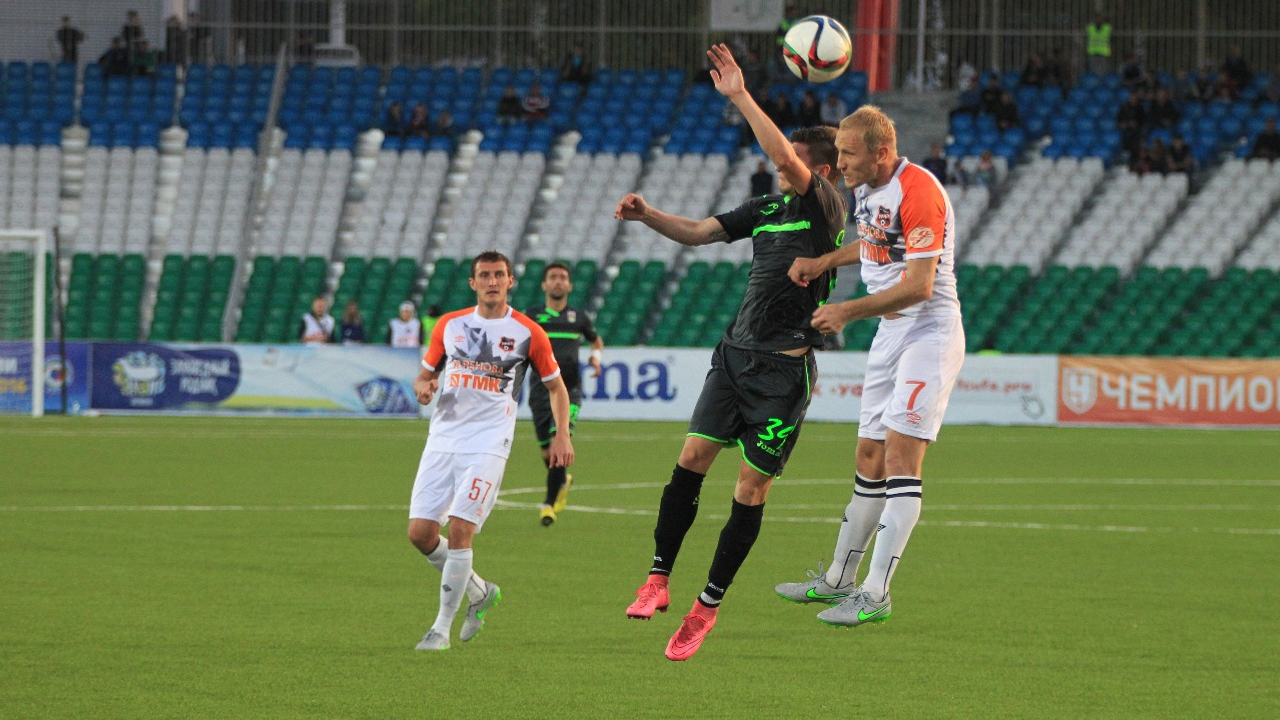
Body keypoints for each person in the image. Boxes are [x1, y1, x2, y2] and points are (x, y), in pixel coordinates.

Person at [614, 43, 846, 662]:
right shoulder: (766, 209)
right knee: (691, 458)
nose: (781, 162)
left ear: (821, 171)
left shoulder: (826, 208)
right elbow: (698, 233)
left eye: (795, 158)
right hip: (735, 356)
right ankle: (658, 578)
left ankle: (706, 607)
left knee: (749, 490)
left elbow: (780, 154)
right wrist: (648, 215)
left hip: (783, 374)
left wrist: (741, 95)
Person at [776, 104, 964, 630]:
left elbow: (921, 285)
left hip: (928, 332)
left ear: (882, 152)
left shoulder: (918, 190)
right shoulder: (868, 188)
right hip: (890, 333)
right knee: (868, 455)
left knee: (901, 457)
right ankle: (839, 578)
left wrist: (846, 311)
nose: (840, 163)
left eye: (849, 153)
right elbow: (874, 241)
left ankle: (876, 592)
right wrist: (824, 261)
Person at [407, 251, 574, 651]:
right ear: (473, 283)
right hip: (443, 439)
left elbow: (557, 387)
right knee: (420, 534)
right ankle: (480, 592)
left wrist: (562, 435)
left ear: (510, 281)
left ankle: (440, 629)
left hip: (489, 442)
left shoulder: (528, 332)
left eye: (499, 274)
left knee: (460, 529)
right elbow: (424, 376)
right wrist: (424, 388)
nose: (492, 281)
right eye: (485, 275)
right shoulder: (449, 325)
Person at [521, 263, 604, 526]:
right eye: (553, 277)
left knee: (560, 442)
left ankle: (548, 505)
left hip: (569, 390)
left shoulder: (579, 317)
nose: (558, 281)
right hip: (539, 391)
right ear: (544, 285)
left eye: (562, 277)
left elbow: (595, 340)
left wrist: (596, 357)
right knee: (548, 453)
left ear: (569, 285)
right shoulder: (531, 316)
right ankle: (562, 479)